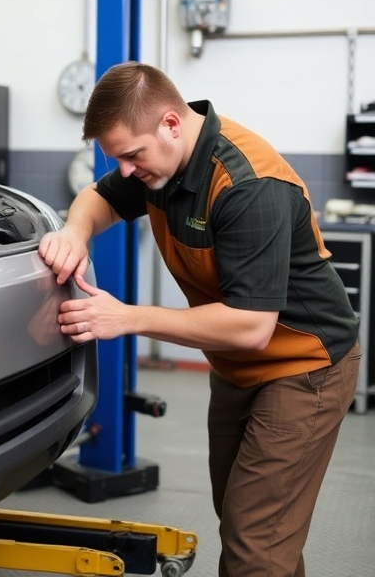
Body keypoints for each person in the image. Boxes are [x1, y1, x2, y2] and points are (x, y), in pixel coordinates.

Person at [38, 61, 361, 577]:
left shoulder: (248, 185)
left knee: (255, 541)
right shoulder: (157, 162)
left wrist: (127, 318)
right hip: (237, 368)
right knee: (251, 520)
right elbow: (98, 198)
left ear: (170, 123)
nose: (124, 170)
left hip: (305, 367)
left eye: (130, 155)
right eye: (114, 158)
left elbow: (253, 326)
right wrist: (76, 233)